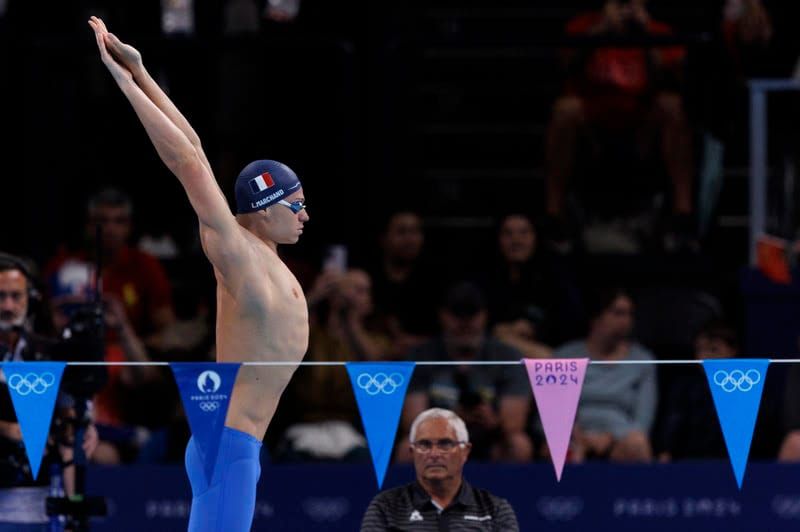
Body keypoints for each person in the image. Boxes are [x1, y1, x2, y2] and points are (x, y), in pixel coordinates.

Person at [89, 17, 310, 532]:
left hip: (236, 445)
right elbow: (187, 162)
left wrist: (142, 72)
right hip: (229, 445)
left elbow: (197, 149)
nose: (305, 215)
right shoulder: (236, 254)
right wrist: (124, 83)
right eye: (297, 204)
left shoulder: (265, 257)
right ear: (265, 208)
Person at [544, 0, 694, 250]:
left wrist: (646, 34)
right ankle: (554, 215)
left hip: (642, 129)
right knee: (564, 110)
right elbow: (565, 66)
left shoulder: (658, 31)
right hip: (593, 129)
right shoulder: (583, 26)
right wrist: (598, 32)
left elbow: (669, 77)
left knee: (672, 106)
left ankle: (683, 214)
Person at [0, 253, 99, 531]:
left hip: (35, 502)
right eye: (1, 296)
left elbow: (70, 416)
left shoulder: (46, 352)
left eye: (16, 296)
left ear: (30, 298)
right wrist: (7, 429)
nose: (8, 306)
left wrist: (82, 427)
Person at [396, 281, 533, 463]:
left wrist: (493, 421)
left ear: (484, 315)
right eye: (457, 314)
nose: (465, 322)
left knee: (519, 444)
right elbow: (412, 422)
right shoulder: (421, 356)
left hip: (492, 438)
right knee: (407, 447)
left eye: (472, 314)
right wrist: (451, 419)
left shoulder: (506, 356)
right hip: (438, 438)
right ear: (442, 315)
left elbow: (514, 423)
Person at [276, 268, 390, 462]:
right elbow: (283, 334)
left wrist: (352, 321)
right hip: (304, 426)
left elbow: (377, 368)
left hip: (351, 430)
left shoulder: (376, 337)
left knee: (364, 460)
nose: (355, 298)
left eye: (364, 291)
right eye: (354, 290)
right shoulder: (312, 334)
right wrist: (314, 296)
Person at [43, 187, 177, 351]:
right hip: (70, 354)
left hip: (129, 358)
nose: (110, 229)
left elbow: (167, 330)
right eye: (102, 220)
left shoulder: (146, 265)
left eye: (119, 221)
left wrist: (126, 347)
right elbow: (41, 325)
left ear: (129, 227)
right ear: (88, 225)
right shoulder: (61, 266)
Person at [362, 408, 519, 531]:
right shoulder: (386, 507)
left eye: (445, 444)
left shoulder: (495, 509)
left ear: (465, 451)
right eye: (424, 444)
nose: (434, 454)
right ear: (412, 452)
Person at [552, 286, 656, 462]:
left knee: (638, 444)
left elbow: (643, 419)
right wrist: (578, 436)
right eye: (618, 313)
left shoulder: (643, 360)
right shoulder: (565, 356)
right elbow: (551, 412)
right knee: (560, 449)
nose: (626, 321)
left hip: (621, 437)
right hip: (574, 435)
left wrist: (611, 438)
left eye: (629, 314)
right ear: (596, 318)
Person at [654, 320, 737, 461]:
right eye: (700, 350)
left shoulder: (748, 387)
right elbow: (672, 427)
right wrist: (665, 451)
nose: (705, 357)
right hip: (689, 463)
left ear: (733, 351)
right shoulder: (684, 388)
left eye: (714, 349)